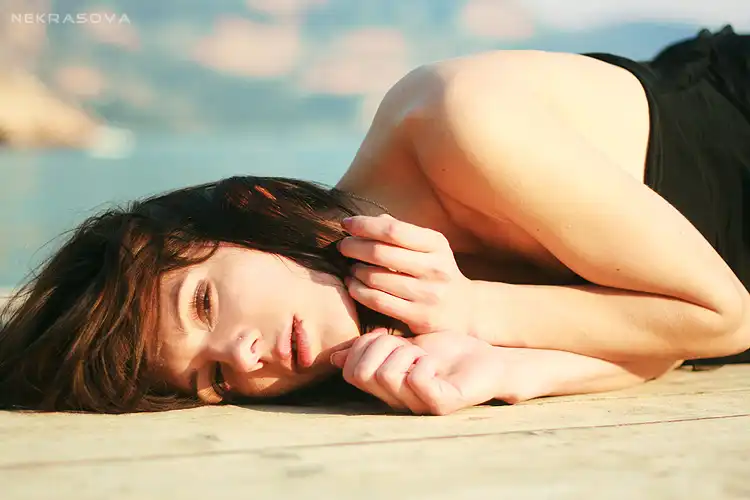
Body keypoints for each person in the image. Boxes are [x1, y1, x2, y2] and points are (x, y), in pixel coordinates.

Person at [1, 26, 749, 415]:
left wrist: (478, 312)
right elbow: (655, 339)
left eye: (204, 303)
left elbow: (722, 317)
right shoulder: (371, 331)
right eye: (215, 378)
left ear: (255, 207)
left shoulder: (455, 123)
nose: (248, 356)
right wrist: (500, 369)